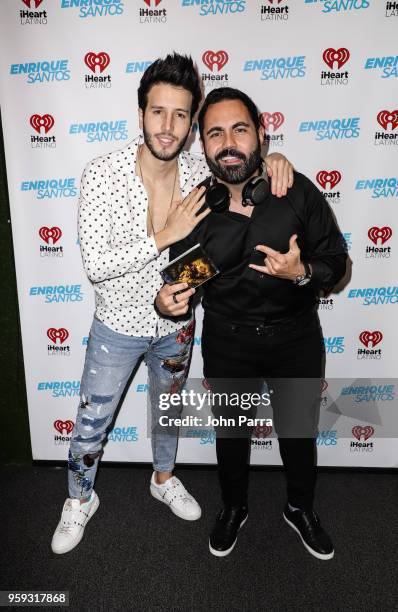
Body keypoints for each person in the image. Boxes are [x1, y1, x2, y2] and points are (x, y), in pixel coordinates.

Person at [51, 57, 294, 554]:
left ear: (191, 121)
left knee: (167, 411)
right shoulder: (101, 175)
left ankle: (163, 478)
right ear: (140, 113)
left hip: (178, 326)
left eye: (181, 115)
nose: (168, 127)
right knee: (91, 421)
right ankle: (79, 499)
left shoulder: (198, 170)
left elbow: (241, 160)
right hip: (116, 326)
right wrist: (166, 234)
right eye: (158, 112)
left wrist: (274, 159)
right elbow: (97, 265)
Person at [156, 87, 347, 560]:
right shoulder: (197, 208)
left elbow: (337, 264)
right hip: (229, 342)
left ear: (261, 134)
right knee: (231, 434)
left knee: (299, 434)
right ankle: (233, 506)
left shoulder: (296, 191)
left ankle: (300, 507)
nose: (229, 142)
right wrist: (169, 301)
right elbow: (184, 282)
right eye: (215, 133)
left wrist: (301, 272)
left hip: (296, 340)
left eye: (239, 129)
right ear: (203, 145)